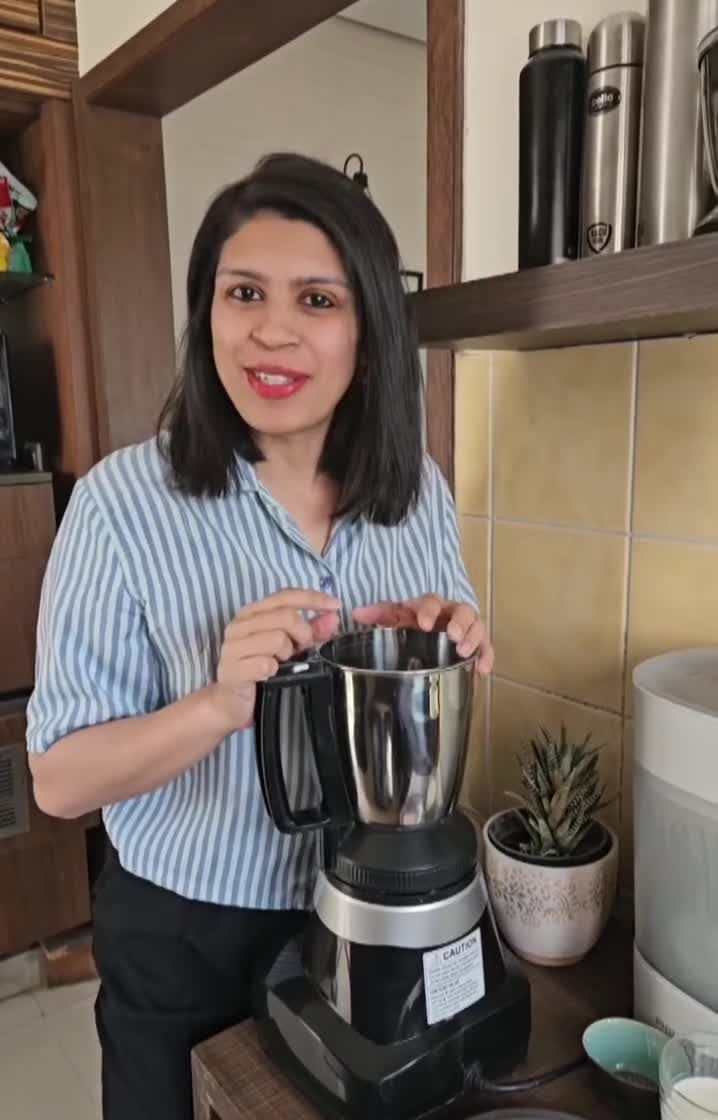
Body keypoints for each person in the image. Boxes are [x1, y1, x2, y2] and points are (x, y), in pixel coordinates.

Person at [25, 152, 494, 1120]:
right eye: (244, 293)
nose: (271, 330)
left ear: (369, 332)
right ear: (207, 315)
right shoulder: (121, 504)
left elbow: (438, 667)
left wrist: (445, 640)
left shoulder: (417, 493)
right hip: (186, 931)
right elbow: (60, 782)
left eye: (317, 300)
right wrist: (217, 704)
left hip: (368, 912)